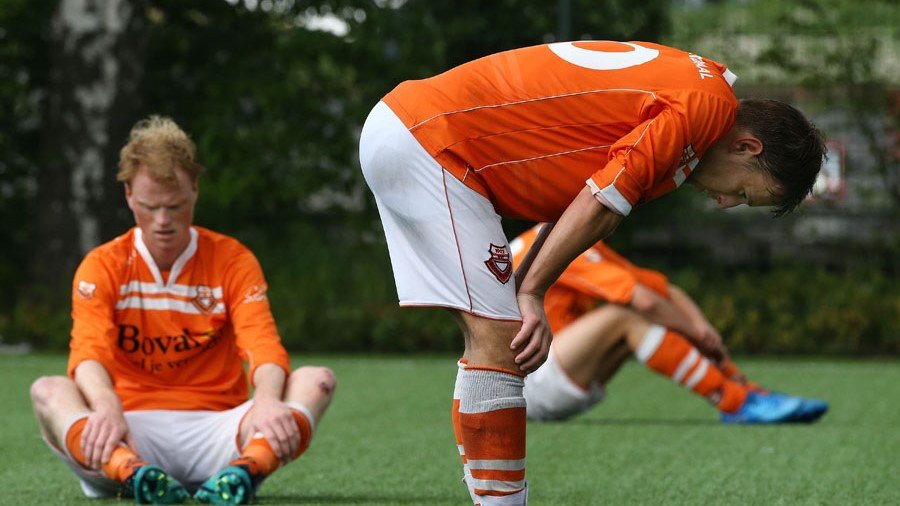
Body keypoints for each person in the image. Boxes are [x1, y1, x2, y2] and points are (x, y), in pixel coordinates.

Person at [358, 40, 825, 505]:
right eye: (744, 193)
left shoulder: (701, 94)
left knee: (493, 341)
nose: (726, 204)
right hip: (430, 140)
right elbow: (603, 203)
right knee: (500, 339)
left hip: (421, 131)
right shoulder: (703, 111)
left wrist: (527, 287)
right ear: (747, 146)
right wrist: (532, 292)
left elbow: (577, 202)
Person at [30, 116, 336, 505]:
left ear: (194, 189)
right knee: (47, 390)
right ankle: (133, 475)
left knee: (317, 380)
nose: (162, 221)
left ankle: (242, 473)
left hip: (220, 433)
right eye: (149, 206)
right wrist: (107, 407)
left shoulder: (232, 259)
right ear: (128, 196)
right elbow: (89, 350)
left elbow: (262, 342)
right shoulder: (103, 264)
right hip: (127, 431)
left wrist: (267, 401)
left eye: (174, 206)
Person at [511, 225, 828, 424]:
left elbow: (662, 291)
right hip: (524, 387)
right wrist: (695, 332)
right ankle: (735, 402)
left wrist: (702, 328)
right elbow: (644, 301)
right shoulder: (552, 242)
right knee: (626, 316)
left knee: (646, 312)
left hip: (545, 379)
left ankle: (744, 390)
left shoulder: (570, 240)